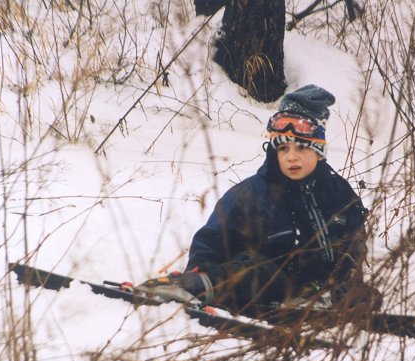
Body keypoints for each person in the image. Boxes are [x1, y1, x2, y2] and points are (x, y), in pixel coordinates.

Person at [137, 84, 379, 313]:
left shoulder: (338, 192)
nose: (291, 157)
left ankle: (321, 301)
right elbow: (211, 241)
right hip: (260, 286)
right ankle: (186, 288)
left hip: (319, 289)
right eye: (283, 149)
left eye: (301, 148)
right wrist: (200, 272)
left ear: (319, 151)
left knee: (366, 295)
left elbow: (354, 242)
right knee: (258, 271)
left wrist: (348, 278)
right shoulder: (251, 195)